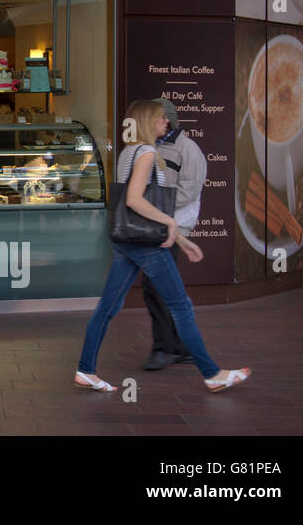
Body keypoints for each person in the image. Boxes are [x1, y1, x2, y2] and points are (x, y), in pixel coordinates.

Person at [75, 100, 251, 393]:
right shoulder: (145, 153)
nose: (165, 123)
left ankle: (86, 370)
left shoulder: (128, 152)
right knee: (180, 305)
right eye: (160, 119)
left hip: (128, 241)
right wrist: (171, 225)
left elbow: (131, 206)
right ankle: (212, 373)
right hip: (147, 244)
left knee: (107, 307)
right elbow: (135, 200)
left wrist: (182, 239)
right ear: (148, 122)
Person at [142, 98, 208, 370]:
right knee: (160, 287)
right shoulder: (150, 146)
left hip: (173, 226)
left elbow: (189, 192)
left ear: (164, 120)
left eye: (150, 116)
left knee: (155, 286)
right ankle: (179, 347)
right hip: (156, 223)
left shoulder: (188, 149)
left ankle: (164, 348)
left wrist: (150, 204)